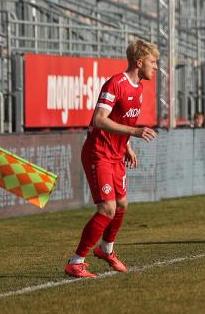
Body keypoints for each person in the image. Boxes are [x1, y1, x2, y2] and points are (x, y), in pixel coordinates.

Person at [63, 40, 159, 278]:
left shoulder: (139, 89)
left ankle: (106, 250)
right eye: (153, 62)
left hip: (115, 155)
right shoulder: (116, 84)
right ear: (139, 62)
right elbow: (99, 119)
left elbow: (122, 122)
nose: (156, 67)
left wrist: (127, 146)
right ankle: (76, 261)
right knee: (107, 208)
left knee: (122, 205)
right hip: (98, 153)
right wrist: (133, 133)